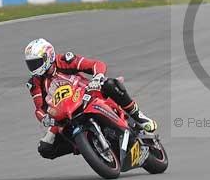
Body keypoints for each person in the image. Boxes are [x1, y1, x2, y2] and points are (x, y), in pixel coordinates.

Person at [23, 38, 157, 159]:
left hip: (87, 93)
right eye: (31, 64)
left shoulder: (63, 60)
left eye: (37, 62)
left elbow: (96, 64)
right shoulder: (35, 82)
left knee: (109, 84)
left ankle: (138, 115)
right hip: (63, 112)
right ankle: (85, 145)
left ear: (49, 56)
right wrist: (45, 118)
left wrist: (97, 76)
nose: (34, 68)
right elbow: (39, 108)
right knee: (45, 148)